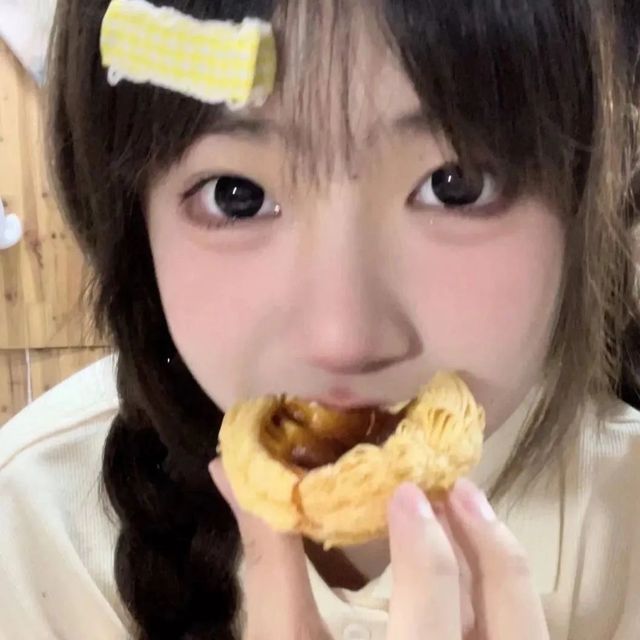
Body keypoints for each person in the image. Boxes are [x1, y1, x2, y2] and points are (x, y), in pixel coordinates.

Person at [1, 0, 639, 638]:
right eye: (237, 196)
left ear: (586, 201)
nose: (343, 339)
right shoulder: (31, 536)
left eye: (456, 185)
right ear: (133, 230)